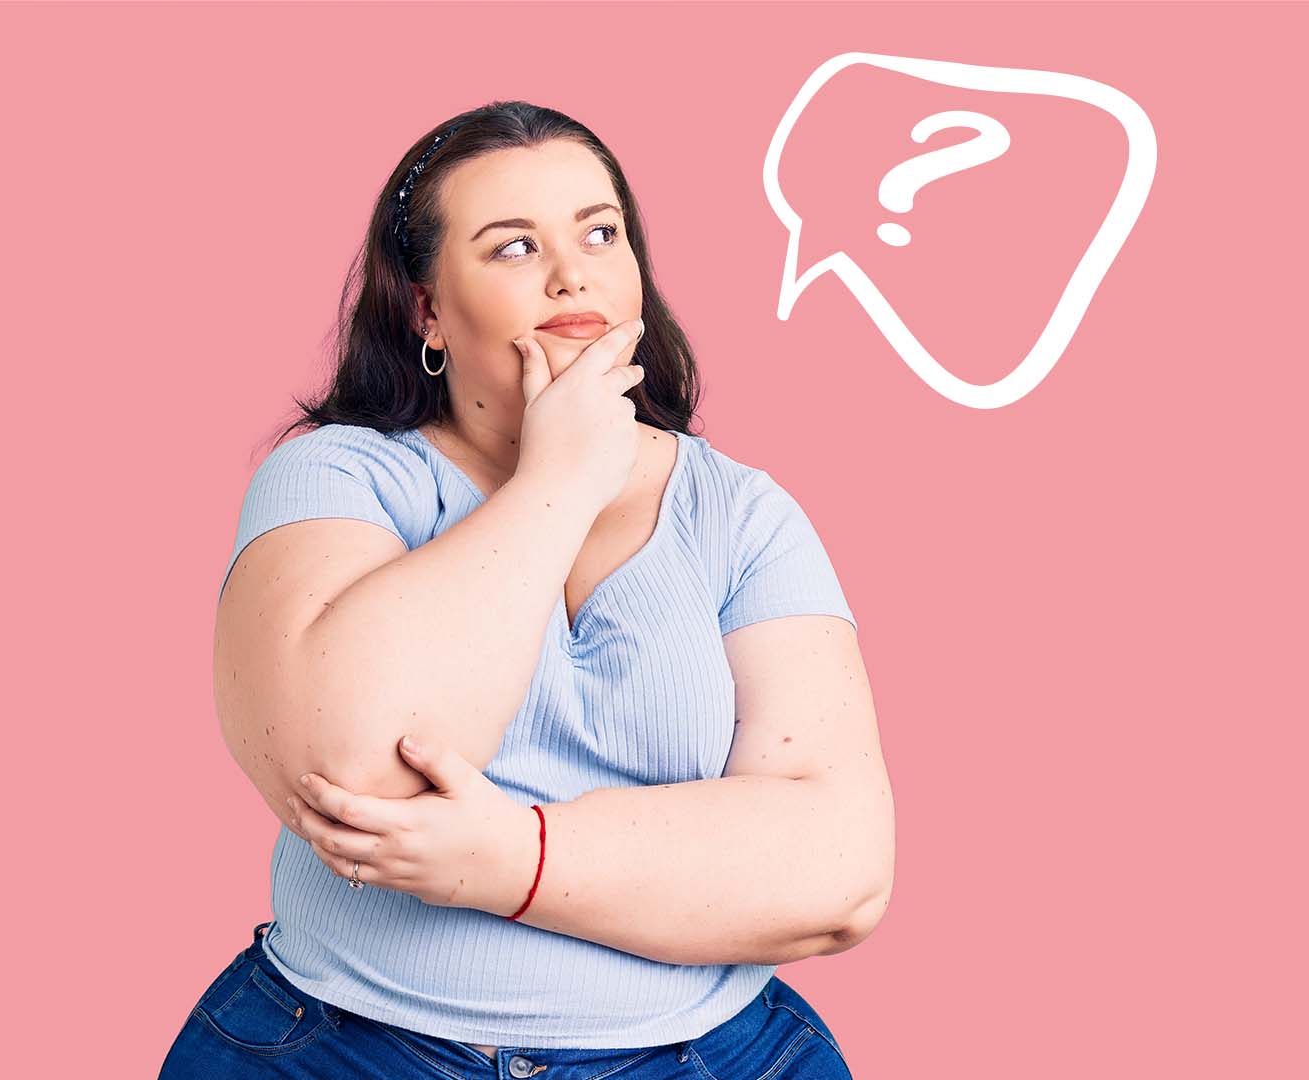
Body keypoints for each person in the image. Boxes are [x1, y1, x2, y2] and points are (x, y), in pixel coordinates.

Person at [160, 101, 893, 1079]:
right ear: (426, 308)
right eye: (512, 248)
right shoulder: (341, 479)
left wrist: (509, 861)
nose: (571, 273)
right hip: (343, 1051)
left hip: (706, 1057)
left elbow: (838, 872)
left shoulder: (743, 515)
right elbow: (352, 770)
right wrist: (559, 482)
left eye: (600, 232)